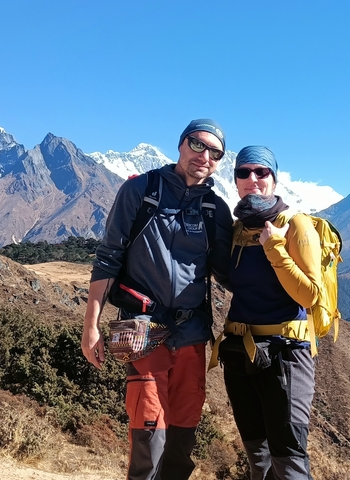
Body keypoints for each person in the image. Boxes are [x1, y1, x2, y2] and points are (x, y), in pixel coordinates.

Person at [81, 119, 233, 480]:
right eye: (198, 145)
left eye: (215, 153)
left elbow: (229, 274)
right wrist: (91, 326)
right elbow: (108, 258)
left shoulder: (215, 210)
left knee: (182, 440)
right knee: (149, 436)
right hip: (143, 331)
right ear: (181, 144)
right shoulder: (142, 191)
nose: (205, 156)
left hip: (193, 333)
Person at [211, 146, 320, 479]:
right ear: (235, 180)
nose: (252, 179)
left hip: (286, 355)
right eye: (243, 173)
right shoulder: (236, 231)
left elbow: (310, 295)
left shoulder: (296, 226)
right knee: (257, 458)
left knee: (288, 459)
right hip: (240, 354)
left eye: (261, 172)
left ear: (274, 178)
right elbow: (233, 279)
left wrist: (274, 247)